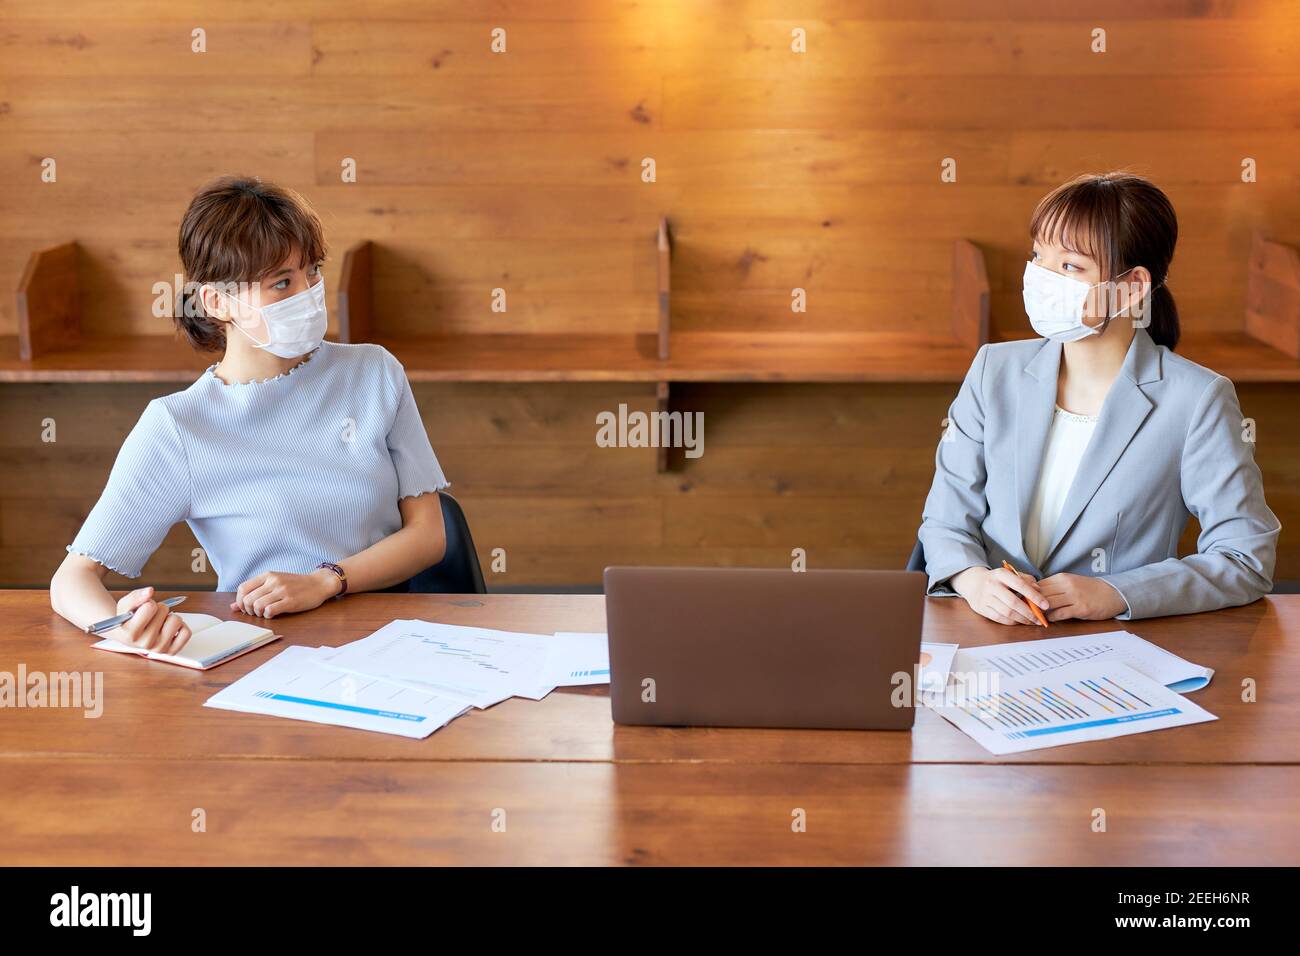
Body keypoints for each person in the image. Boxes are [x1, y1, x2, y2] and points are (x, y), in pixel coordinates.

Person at [51, 176, 450, 653]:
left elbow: (428, 535)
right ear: (218, 302)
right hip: (266, 646)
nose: (307, 293)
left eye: (313, 272)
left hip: (392, 633)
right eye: (281, 282)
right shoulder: (179, 426)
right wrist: (121, 628)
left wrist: (327, 580)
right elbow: (72, 578)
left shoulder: (374, 372)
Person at [918, 172, 1279, 624]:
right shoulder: (994, 370)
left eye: (1069, 266)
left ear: (1132, 287)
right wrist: (971, 579)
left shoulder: (1197, 399)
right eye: (1038, 256)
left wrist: (1116, 593)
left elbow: (1245, 559)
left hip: (1116, 652)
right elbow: (945, 521)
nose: (1041, 279)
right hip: (990, 637)